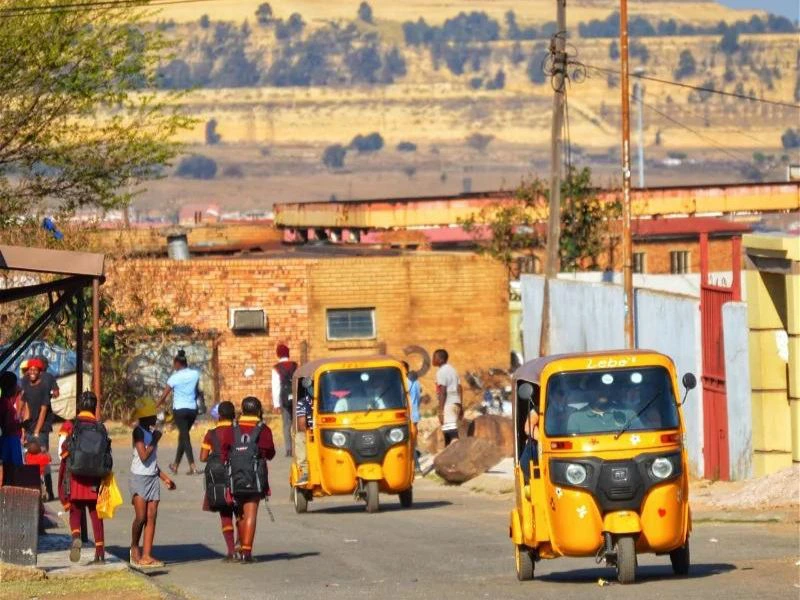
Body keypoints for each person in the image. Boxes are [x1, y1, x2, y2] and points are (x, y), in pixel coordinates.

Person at [58, 391, 107, 565]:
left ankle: (76, 536)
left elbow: (63, 451)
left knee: (75, 510)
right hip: (94, 478)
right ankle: (100, 553)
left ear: (79, 406)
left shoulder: (71, 425)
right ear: (94, 407)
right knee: (96, 515)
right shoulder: (100, 426)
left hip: (75, 476)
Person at [130, 398, 176, 568]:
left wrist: (164, 478)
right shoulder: (138, 432)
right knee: (141, 517)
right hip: (139, 478)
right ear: (146, 417)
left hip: (152, 478)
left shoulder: (149, 431)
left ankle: (147, 555)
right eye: (153, 416)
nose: (155, 419)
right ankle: (134, 546)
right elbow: (143, 457)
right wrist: (155, 439)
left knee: (151, 517)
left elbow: (152, 463)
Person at [199, 400, 238, 562]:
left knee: (225, 513)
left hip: (219, 478)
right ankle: (242, 546)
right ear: (234, 416)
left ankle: (230, 551)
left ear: (219, 416)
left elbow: (202, 457)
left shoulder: (211, 433)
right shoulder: (239, 431)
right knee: (241, 512)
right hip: (238, 474)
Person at [158, 349, 202, 475]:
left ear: (178, 363)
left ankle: (192, 465)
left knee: (185, 436)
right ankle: (175, 465)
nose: (173, 366)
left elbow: (163, 396)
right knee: (183, 436)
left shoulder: (174, 377)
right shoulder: (195, 374)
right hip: (192, 409)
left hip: (180, 410)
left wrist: (155, 406)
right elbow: (197, 390)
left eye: (174, 364)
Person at [21, 357, 58, 500]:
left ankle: (49, 490)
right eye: (30, 370)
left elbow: (43, 410)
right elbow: (26, 408)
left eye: (35, 370)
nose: (32, 372)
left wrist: (37, 431)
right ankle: (35, 490)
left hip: (42, 428)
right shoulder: (25, 383)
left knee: (42, 460)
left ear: (40, 371)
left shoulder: (44, 386)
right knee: (29, 460)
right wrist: (24, 429)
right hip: (30, 427)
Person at [271, 344, 298, 458]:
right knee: (296, 423)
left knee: (286, 424)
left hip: (284, 397)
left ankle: (288, 449)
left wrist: (276, 404)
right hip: (296, 396)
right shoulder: (295, 365)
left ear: (278, 354)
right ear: (288, 353)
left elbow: (276, 386)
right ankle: (298, 448)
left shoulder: (276, 368)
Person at [433, 349, 462, 446]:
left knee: (452, 433)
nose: (433, 359)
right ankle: (450, 455)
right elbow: (459, 388)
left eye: (435, 357)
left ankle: (457, 454)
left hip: (448, 403)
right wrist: (461, 405)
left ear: (441, 359)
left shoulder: (441, 372)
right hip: (456, 402)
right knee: (448, 433)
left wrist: (441, 411)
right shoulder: (453, 370)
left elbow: (443, 392)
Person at [0, 371, 24, 472]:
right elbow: (6, 424)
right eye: (15, 384)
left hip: (11, 441)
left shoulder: (7, 401)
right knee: (14, 472)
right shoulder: (4, 403)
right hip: (9, 442)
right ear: (11, 386)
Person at [402, 361, 422, 472]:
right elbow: (418, 398)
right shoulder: (416, 381)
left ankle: (416, 466)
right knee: (412, 441)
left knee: (409, 441)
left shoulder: (406, 381)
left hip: (409, 415)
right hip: (415, 413)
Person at [294, 381, 313, 485]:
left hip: (327, 431)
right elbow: (301, 425)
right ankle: (305, 471)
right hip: (310, 432)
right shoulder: (303, 403)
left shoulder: (329, 399)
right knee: (300, 437)